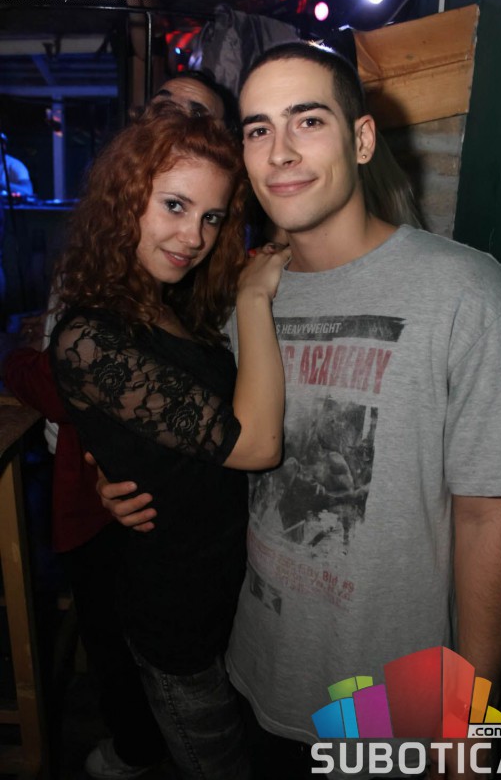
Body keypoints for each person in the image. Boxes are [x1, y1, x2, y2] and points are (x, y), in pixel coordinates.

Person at [100, 42, 501, 779]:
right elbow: (217, 444)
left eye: (307, 120)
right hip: (257, 665)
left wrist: (468, 722)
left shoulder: (466, 292)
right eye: (258, 129)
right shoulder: (239, 300)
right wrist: (124, 476)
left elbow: (487, 518)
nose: (280, 151)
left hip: (396, 697)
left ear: (361, 139)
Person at [3, 71, 237, 780]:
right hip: (112, 493)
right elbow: (75, 367)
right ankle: (137, 746)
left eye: (200, 118)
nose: (178, 125)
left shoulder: (201, 270)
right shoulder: (107, 260)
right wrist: (102, 455)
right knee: (115, 641)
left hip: (180, 521)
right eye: (167, 109)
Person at [48, 101, 290, 780]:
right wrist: (254, 298)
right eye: (175, 206)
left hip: (232, 597)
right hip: (177, 617)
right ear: (124, 201)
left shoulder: (167, 300)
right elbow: (256, 445)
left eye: (212, 217)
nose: (194, 236)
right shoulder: (89, 335)